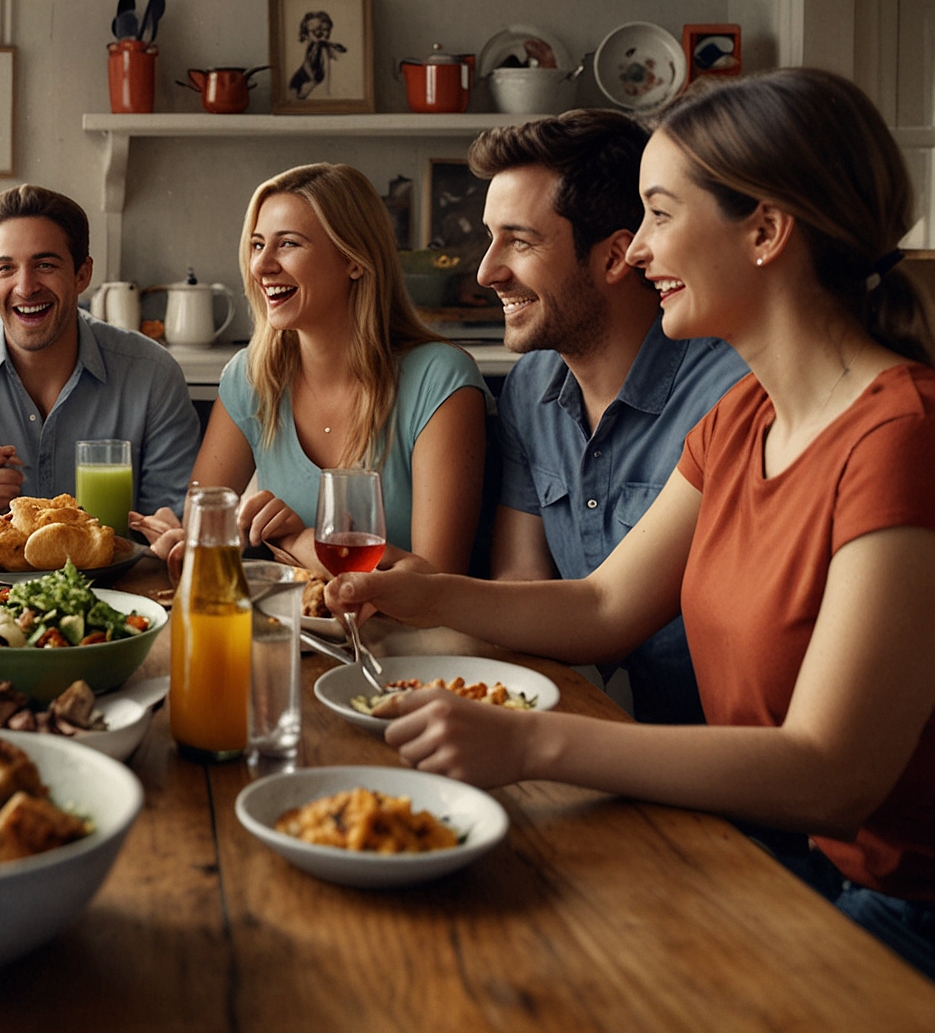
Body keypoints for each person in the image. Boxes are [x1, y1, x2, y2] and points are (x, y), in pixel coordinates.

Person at [325, 70, 935, 978]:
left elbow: (832, 773)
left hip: (891, 909)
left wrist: (534, 742)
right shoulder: (746, 420)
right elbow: (609, 604)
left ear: (766, 231)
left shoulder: (902, 435)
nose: (637, 252)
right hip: (758, 852)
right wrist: (419, 592)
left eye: (657, 215)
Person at [472, 111, 748, 723]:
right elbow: (522, 579)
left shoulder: (733, 395)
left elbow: (608, 614)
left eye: (518, 241)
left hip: (724, 760)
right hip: (598, 728)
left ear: (618, 255)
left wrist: (428, 598)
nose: (486, 271)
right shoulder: (530, 388)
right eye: (489, 239)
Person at [136, 163, 488, 572]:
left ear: (354, 260)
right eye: (256, 245)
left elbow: (436, 581)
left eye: (287, 244)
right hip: (289, 627)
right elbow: (205, 529)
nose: (261, 266)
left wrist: (295, 540)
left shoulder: (440, 379)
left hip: (403, 634)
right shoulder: (249, 376)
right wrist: (186, 540)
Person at [0, 184, 199, 525]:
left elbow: (169, 521)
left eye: (45, 265)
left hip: (114, 580)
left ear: (82, 274)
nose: (25, 287)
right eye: (6, 269)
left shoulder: (152, 375)